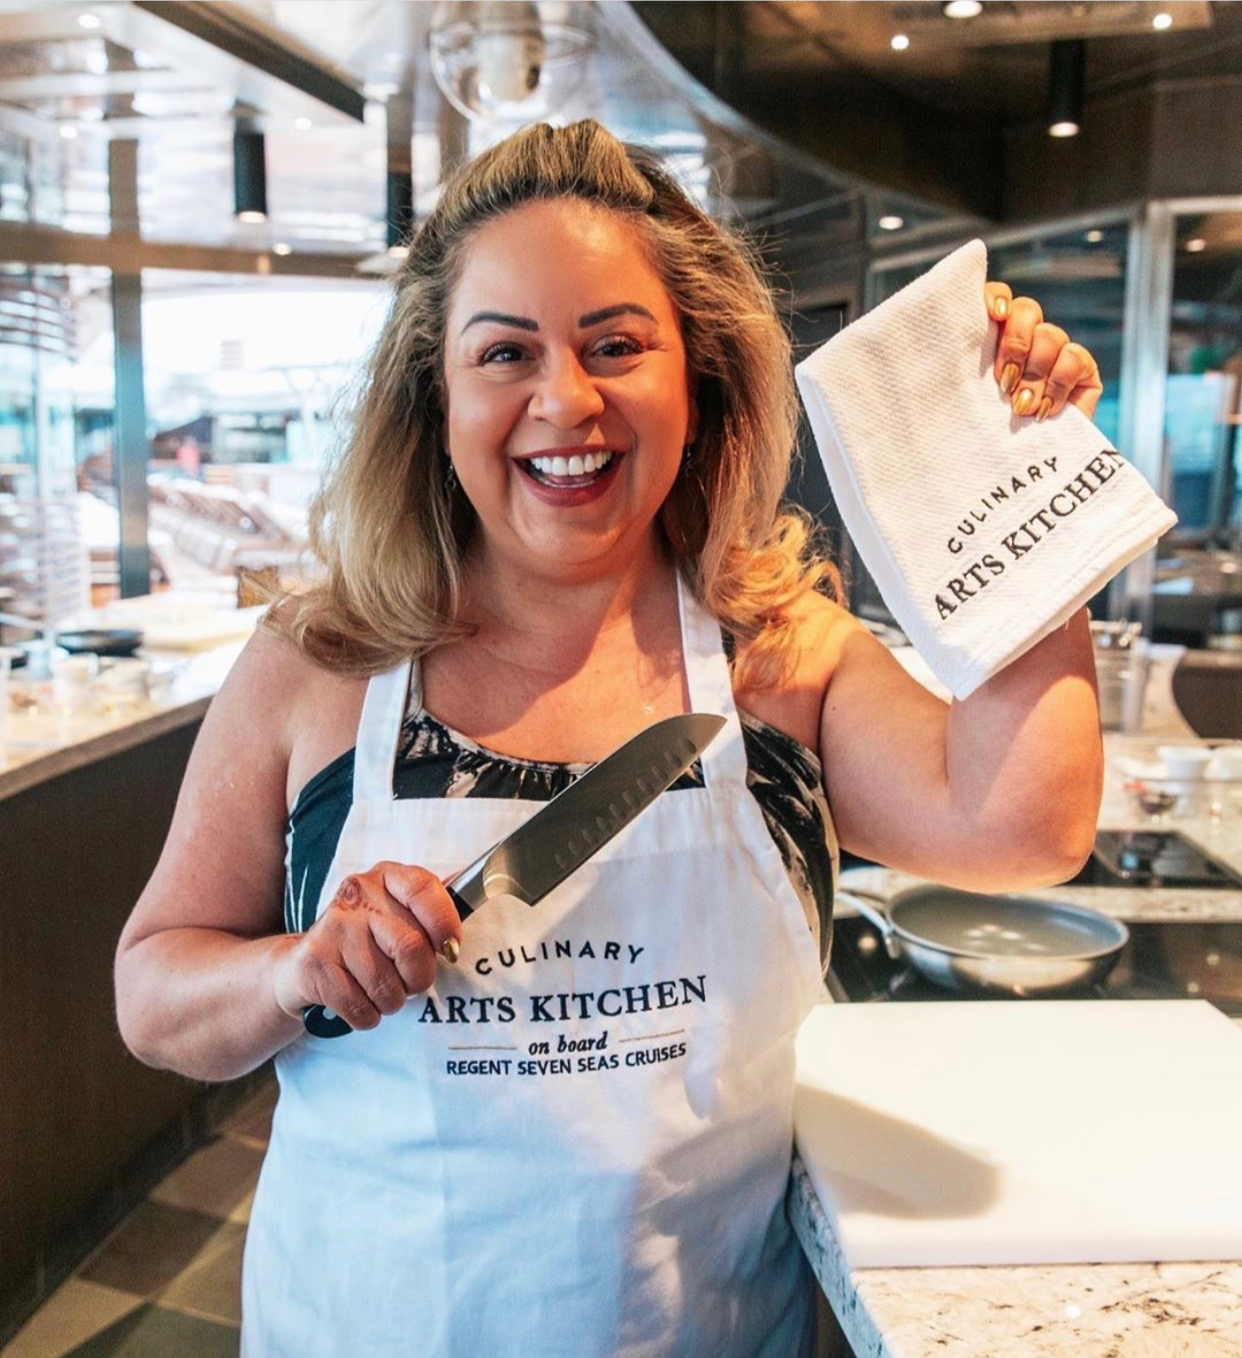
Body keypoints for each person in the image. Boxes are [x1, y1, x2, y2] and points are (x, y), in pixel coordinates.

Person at [115, 120, 1104, 1357]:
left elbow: (1028, 827)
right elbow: (154, 991)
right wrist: (292, 973)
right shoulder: (319, 663)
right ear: (439, 393)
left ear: (698, 373)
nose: (564, 401)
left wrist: (1018, 469)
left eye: (616, 344)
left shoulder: (778, 657)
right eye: (505, 352)